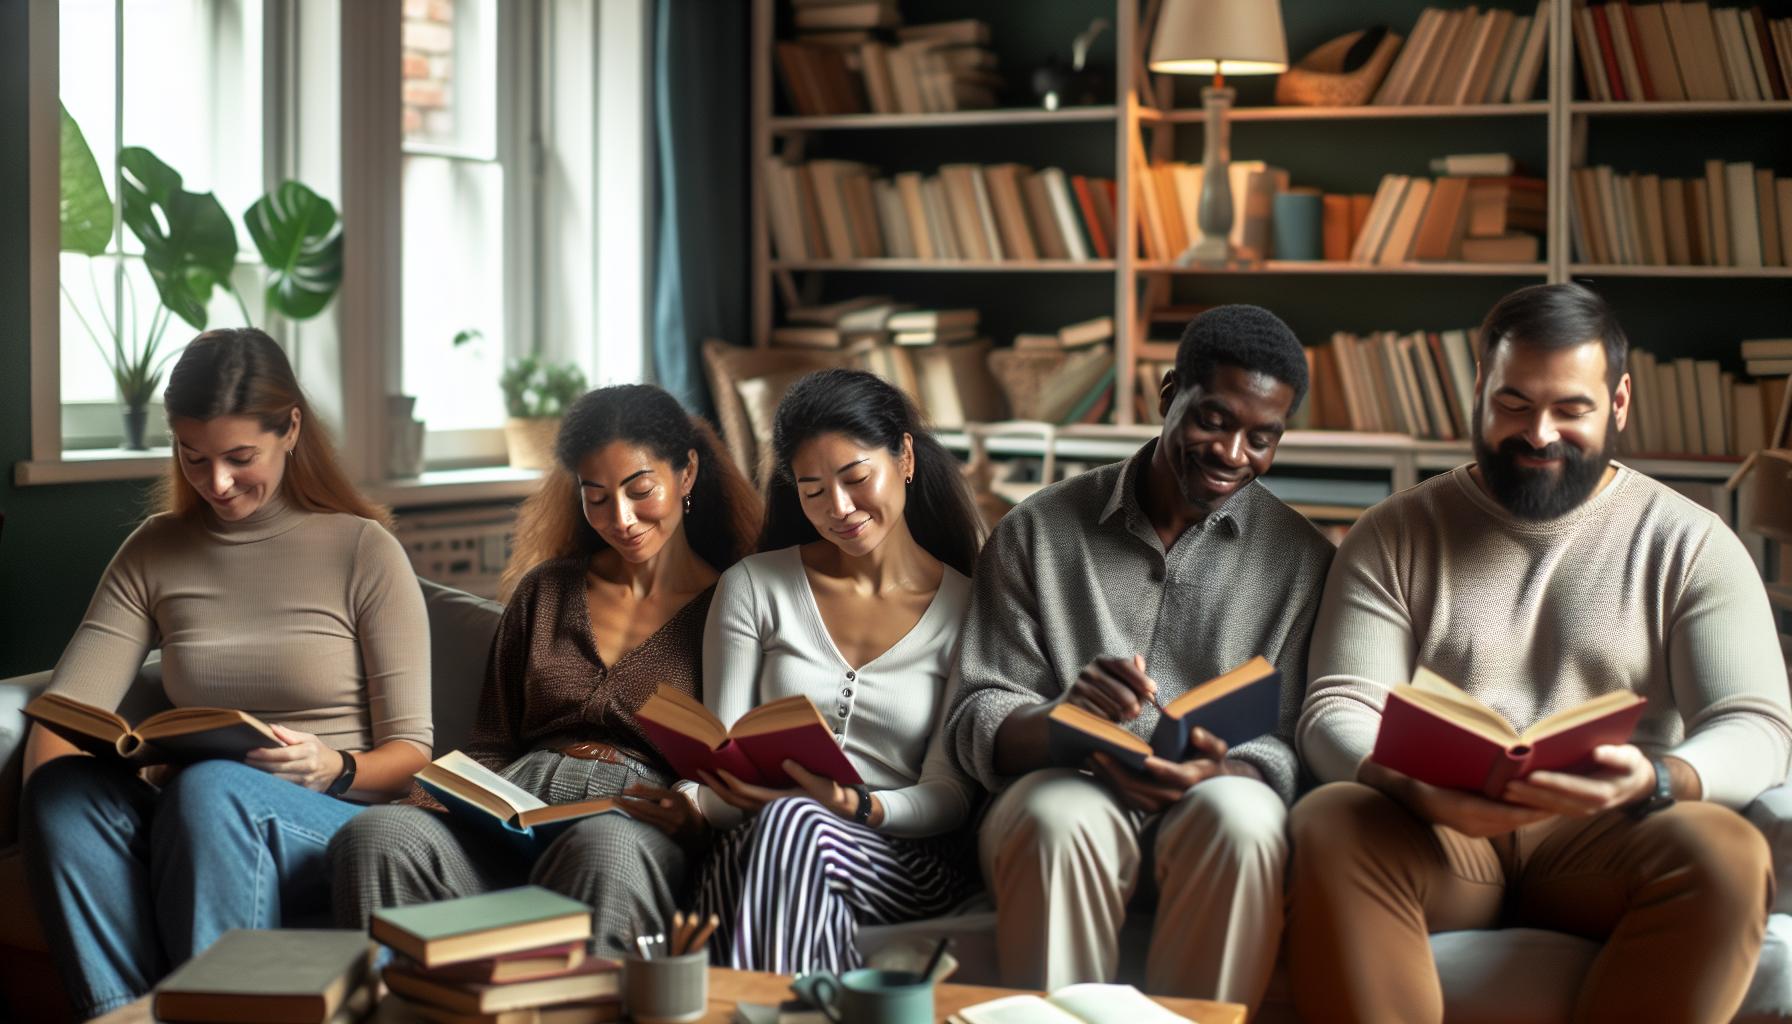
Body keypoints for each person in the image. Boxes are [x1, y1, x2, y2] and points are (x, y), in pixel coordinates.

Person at [1290, 282, 1791, 1024]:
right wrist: (1407, 784)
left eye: (1571, 409)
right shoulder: (1393, 533)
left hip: (1612, 832)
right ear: (1479, 393)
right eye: (1515, 404)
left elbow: (1757, 725)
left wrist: (1659, 777)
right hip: (1437, 831)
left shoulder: (1691, 544)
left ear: (1617, 403)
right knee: (1332, 817)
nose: (1540, 433)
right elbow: (1338, 704)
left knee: (1728, 853)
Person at [20, 328, 432, 1020]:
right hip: (194, 813)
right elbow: (67, 713)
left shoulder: (364, 551)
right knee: (61, 790)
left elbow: (412, 754)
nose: (216, 483)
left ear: (290, 428)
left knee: (210, 789)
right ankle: (128, 1012)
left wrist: (332, 764)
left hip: (328, 816)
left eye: (240, 457)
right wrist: (58, 808)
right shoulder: (153, 550)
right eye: (193, 456)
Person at [942, 305, 1335, 1007]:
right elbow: (979, 711)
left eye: (1261, 437)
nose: (1232, 453)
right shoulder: (1036, 531)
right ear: (1166, 395)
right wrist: (1061, 724)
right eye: (1213, 419)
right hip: (1068, 787)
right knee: (1058, 818)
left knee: (1243, 818)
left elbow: (1295, 739)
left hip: (1214, 799)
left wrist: (1229, 766)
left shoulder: (1305, 564)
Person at [328, 383, 761, 956]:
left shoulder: (739, 602)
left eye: (640, 490)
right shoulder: (547, 592)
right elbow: (490, 742)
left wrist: (697, 818)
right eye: (596, 496)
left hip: (633, 819)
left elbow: (737, 766)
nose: (621, 518)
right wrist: (443, 802)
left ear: (686, 474)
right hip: (516, 801)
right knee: (377, 836)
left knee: (603, 851)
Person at [681, 369, 984, 974]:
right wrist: (698, 801)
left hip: (904, 857)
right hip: (763, 836)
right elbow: (722, 758)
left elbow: (951, 794)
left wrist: (855, 805)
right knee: (784, 828)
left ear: (904, 457)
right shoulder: (755, 588)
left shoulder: (968, 607)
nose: (838, 509)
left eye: (855, 478)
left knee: (794, 823)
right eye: (813, 490)